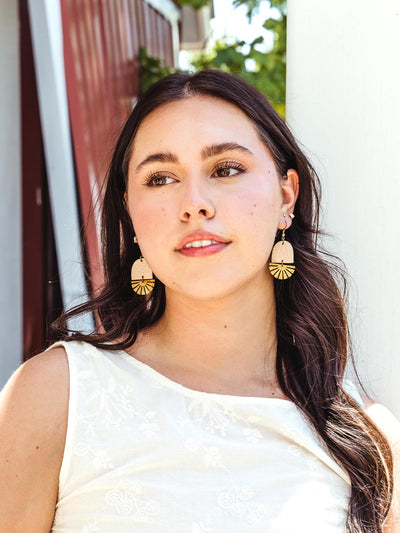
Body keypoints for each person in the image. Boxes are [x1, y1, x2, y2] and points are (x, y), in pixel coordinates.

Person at [0, 70, 398, 532]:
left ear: (286, 195)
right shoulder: (57, 395)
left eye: (226, 169)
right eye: (161, 178)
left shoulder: (367, 439)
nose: (195, 203)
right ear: (129, 214)